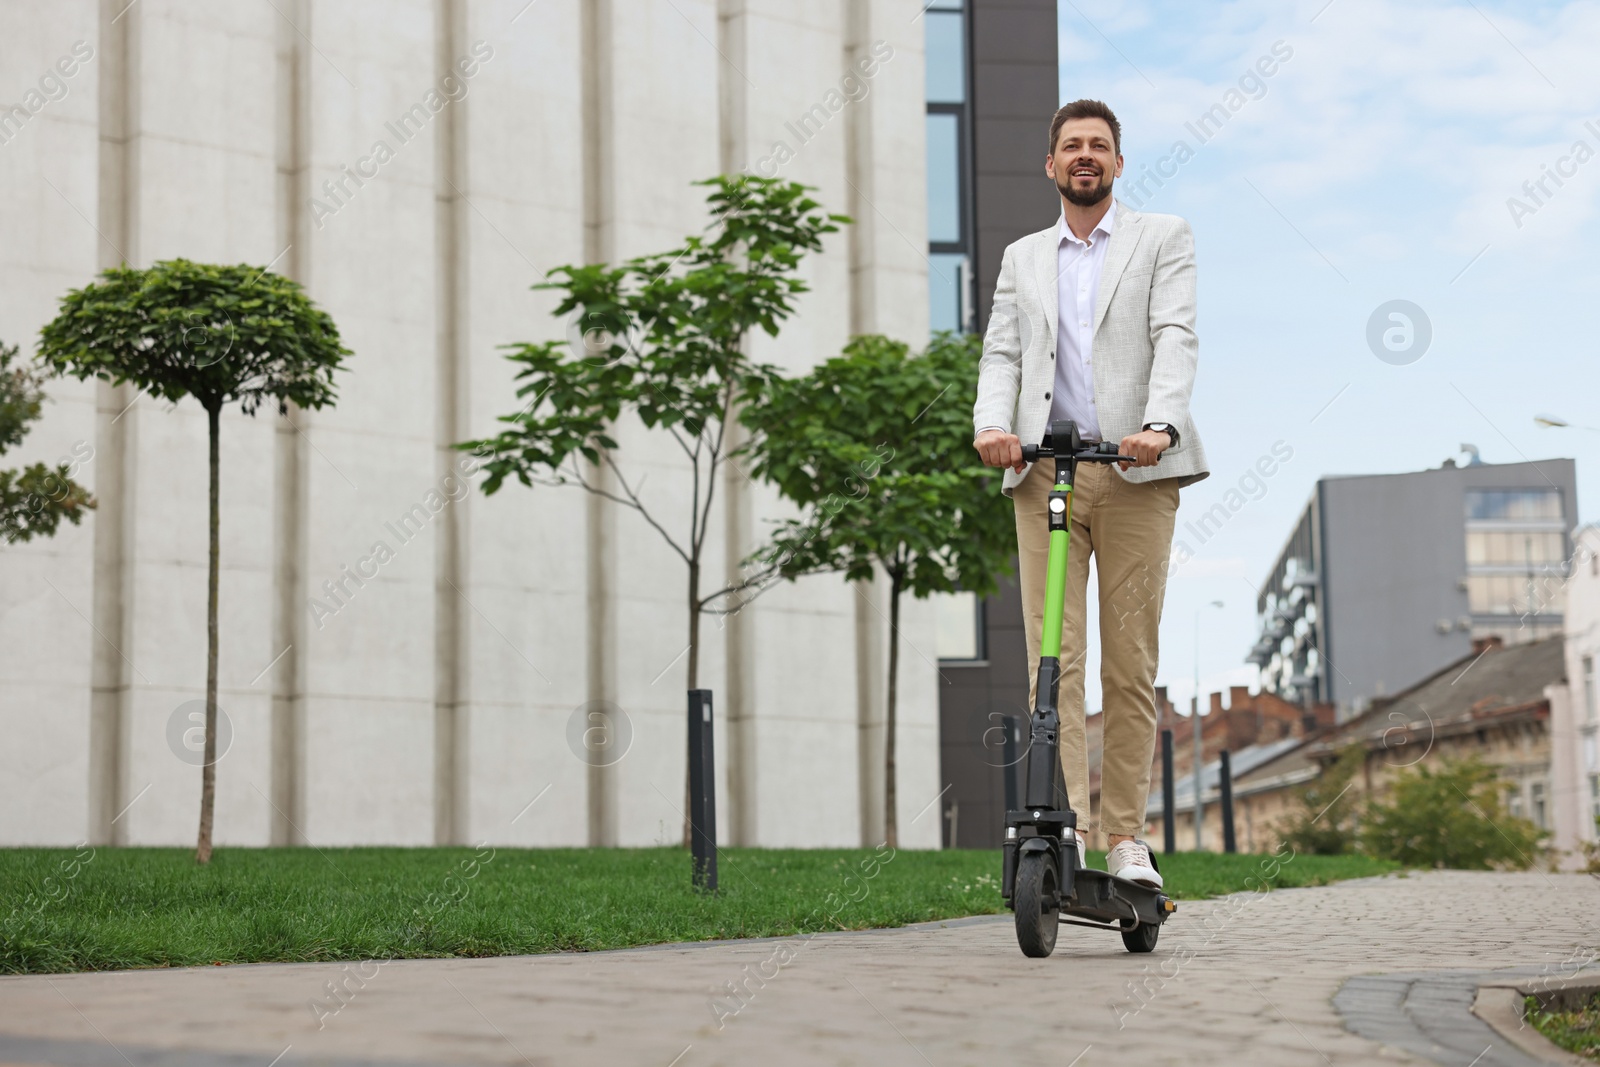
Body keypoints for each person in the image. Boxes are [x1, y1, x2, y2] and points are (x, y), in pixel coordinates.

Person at [972, 99, 1209, 888]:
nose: (1084, 156)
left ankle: (1126, 837)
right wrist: (990, 427)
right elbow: (1002, 350)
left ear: (1116, 162)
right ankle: (1065, 827)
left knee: (1129, 664)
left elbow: (1175, 336)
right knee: (1054, 662)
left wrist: (1160, 426)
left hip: (1136, 470)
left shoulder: (1161, 238)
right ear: (1051, 164)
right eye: (1071, 145)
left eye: (1098, 146)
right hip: (1044, 468)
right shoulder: (1023, 257)